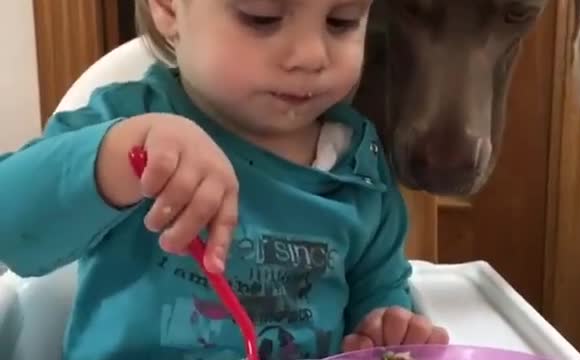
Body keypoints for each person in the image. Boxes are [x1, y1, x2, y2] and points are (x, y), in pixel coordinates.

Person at [0, 0, 448, 358]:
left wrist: (384, 330)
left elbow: (379, 289)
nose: (312, 55)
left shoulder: (358, 168)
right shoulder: (128, 119)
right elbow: (11, 228)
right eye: (262, 18)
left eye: (341, 21)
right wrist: (121, 158)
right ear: (169, 7)